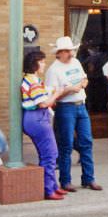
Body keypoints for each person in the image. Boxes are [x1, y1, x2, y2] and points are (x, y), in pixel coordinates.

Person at [45, 36, 102, 192]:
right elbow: (52, 97)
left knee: (86, 142)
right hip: (65, 107)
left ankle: (89, 178)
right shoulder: (53, 70)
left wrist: (83, 83)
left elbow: (84, 78)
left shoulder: (76, 63)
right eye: (68, 51)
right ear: (60, 53)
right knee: (66, 144)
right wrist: (67, 90)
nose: (71, 54)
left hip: (80, 105)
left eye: (71, 50)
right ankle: (65, 180)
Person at [21, 50, 70, 200]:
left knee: (48, 154)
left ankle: (52, 186)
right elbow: (43, 103)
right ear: (34, 64)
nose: (43, 64)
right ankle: (49, 189)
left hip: (34, 118)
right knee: (50, 155)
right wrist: (58, 93)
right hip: (37, 119)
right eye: (41, 62)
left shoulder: (31, 79)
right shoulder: (33, 81)